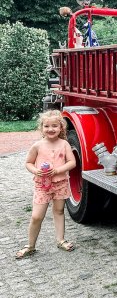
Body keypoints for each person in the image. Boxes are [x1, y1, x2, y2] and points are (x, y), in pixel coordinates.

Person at [15, 110, 77, 258]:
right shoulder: (37, 146)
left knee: (59, 211)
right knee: (37, 216)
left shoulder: (64, 144)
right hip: (42, 185)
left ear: (61, 127)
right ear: (41, 127)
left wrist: (57, 170)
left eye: (54, 126)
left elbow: (72, 162)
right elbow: (28, 163)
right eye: (47, 126)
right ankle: (30, 245)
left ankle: (60, 240)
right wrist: (36, 171)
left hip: (60, 183)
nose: (50, 129)